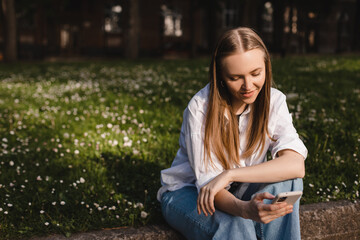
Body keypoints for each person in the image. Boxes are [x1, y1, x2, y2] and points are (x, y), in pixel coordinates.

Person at [157, 27, 307, 240]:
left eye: (256, 74)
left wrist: (231, 174)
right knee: (237, 224)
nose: (248, 86)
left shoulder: (275, 101)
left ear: (266, 67)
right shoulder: (200, 108)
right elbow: (210, 188)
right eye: (235, 77)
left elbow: (295, 165)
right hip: (190, 193)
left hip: (239, 187)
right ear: (220, 75)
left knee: (289, 182)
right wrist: (245, 210)